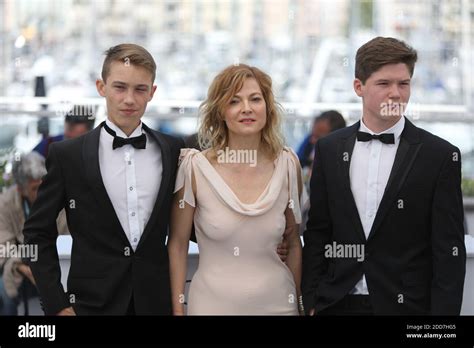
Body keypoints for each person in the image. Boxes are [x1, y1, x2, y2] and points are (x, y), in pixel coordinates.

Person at [302, 37, 466, 315]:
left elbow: (448, 250)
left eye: (403, 84)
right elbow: (318, 231)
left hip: (408, 309)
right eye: (384, 84)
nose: (396, 93)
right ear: (358, 87)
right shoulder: (329, 149)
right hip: (336, 304)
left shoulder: (440, 155)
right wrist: (312, 300)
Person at [23, 43, 184, 315]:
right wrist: (58, 305)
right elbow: (37, 233)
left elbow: (188, 222)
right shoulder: (67, 155)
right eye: (120, 87)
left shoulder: (173, 150)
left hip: (156, 304)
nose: (129, 99)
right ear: (101, 87)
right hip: (90, 306)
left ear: (152, 92)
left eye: (140, 89)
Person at [168, 64, 304, 315]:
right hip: (210, 307)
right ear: (220, 111)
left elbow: (294, 242)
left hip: (280, 307)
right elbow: (177, 245)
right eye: (234, 101)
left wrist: (299, 303)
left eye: (255, 99)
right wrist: (178, 309)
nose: (247, 109)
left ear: (268, 107)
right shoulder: (193, 168)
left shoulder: (288, 164)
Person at [0, 152, 68, 315]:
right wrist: (25, 267)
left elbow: (70, 239)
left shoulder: (60, 196)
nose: (42, 192)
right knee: (3, 292)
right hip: (21, 268)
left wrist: (43, 266)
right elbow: (4, 248)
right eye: (35, 188)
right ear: (20, 189)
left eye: (44, 185)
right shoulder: (4, 204)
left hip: (59, 265)